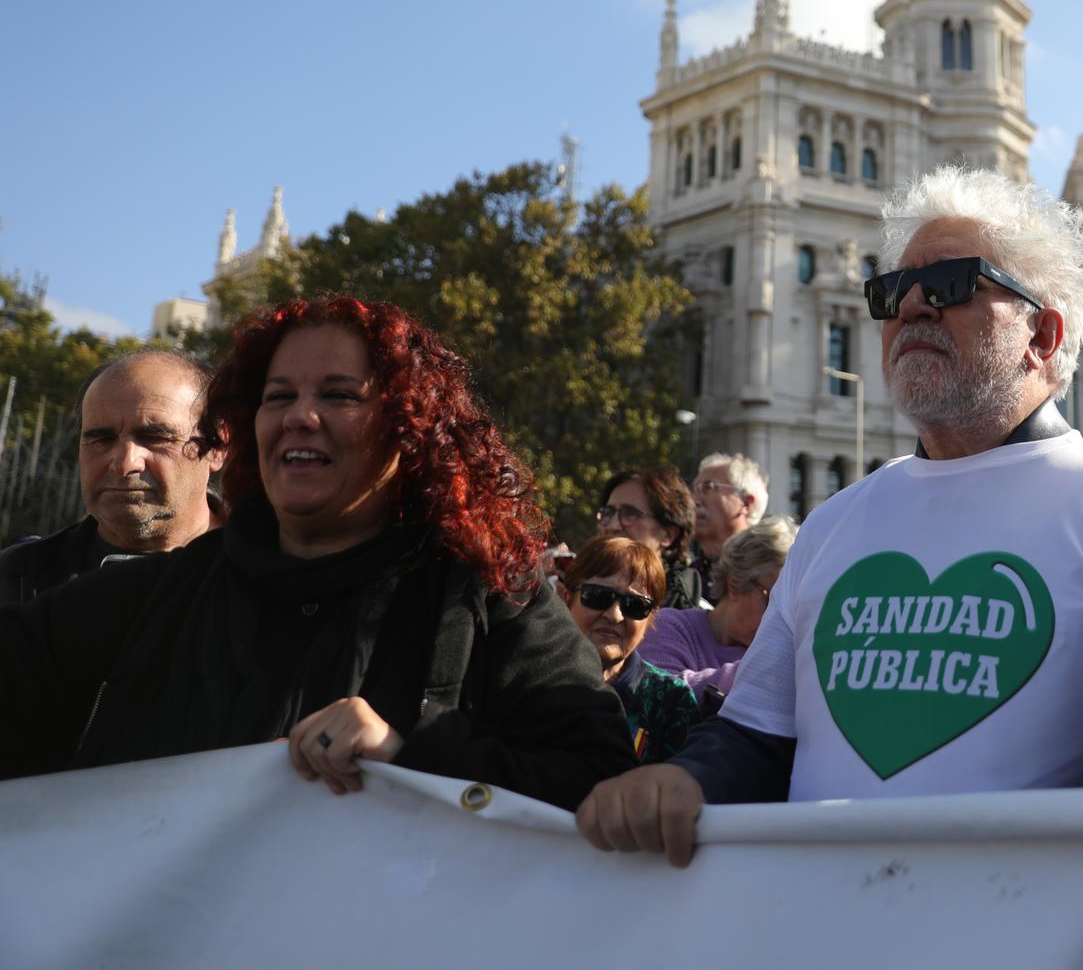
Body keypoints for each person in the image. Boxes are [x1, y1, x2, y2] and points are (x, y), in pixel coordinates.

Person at [576, 166, 1083, 863]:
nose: (914, 307)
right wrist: (681, 781)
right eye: (892, 290)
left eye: (953, 283)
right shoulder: (834, 525)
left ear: (1042, 336)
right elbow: (757, 737)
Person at [0, 296, 633, 810]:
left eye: (339, 395)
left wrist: (410, 754)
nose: (301, 416)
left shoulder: (487, 596)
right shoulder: (157, 593)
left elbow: (597, 777)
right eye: (279, 397)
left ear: (406, 430)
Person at [0, 350, 223, 606]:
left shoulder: (265, 579)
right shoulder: (15, 580)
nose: (125, 463)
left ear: (217, 447)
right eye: (101, 439)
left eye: (155, 438)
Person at [558, 535, 700, 765]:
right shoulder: (525, 675)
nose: (614, 615)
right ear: (567, 600)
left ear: (651, 619)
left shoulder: (672, 700)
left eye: (635, 605)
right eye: (597, 596)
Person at [639, 516, 796, 697]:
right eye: (774, 602)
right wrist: (761, 670)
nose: (781, 618)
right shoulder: (668, 625)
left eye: (791, 609)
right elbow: (660, 696)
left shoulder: (772, 653)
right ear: (735, 584)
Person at [595, 469, 700, 611]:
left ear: (668, 535)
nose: (613, 525)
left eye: (630, 514)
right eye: (608, 512)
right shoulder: (575, 589)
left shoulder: (688, 614)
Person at [690, 452, 767, 568]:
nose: (694, 500)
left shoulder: (771, 574)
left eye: (709, 487)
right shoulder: (683, 577)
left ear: (745, 503)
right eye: (695, 490)